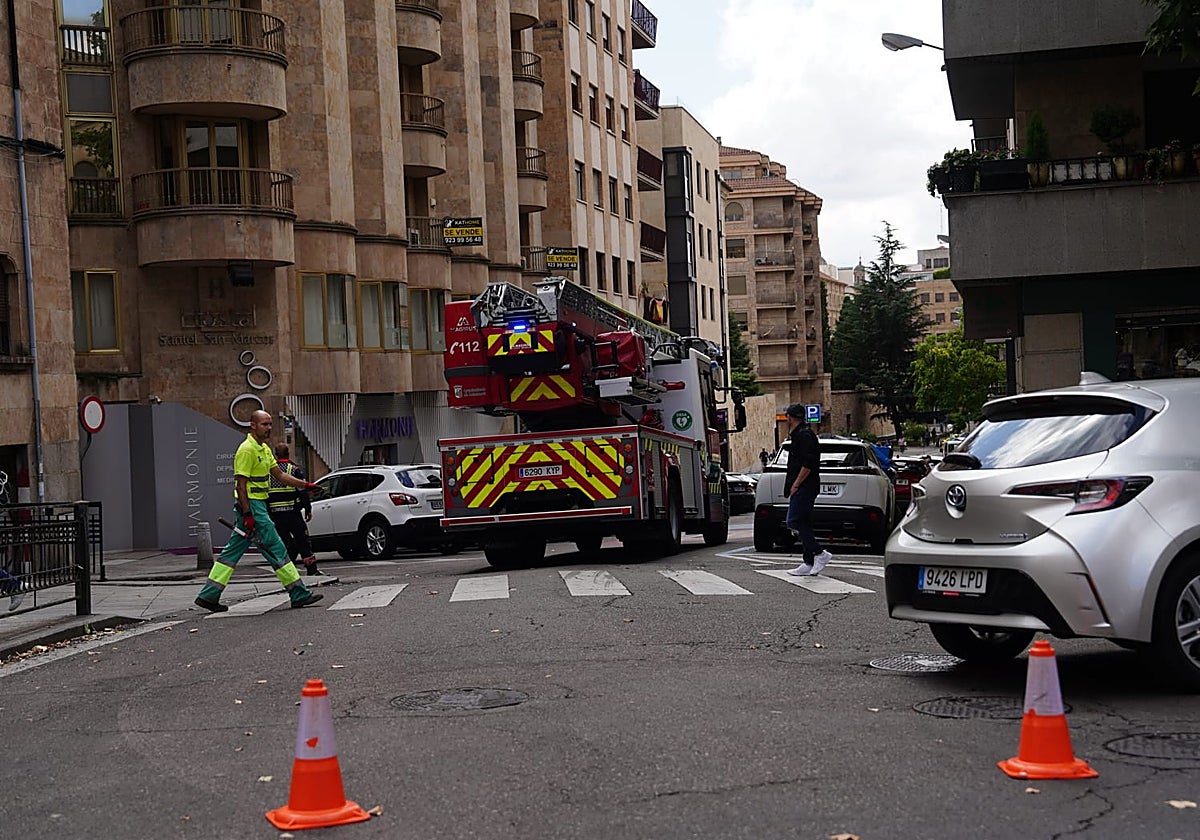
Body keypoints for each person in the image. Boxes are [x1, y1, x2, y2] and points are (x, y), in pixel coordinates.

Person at [195, 410, 324, 612]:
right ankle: (298, 593)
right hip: (253, 506)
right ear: (252, 425)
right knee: (277, 547)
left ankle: (208, 595)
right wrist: (248, 514)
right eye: (265, 424)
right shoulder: (246, 450)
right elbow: (241, 485)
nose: (269, 428)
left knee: (231, 553)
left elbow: (280, 476)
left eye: (270, 424)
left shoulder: (263, 449)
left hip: (257, 506)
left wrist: (305, 485)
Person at [782, 404, 833, 576]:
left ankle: (820, 553)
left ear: (790, 417)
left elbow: (808, 464)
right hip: (804, 485)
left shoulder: (804, 435)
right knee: (803, 522)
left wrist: (796, 484)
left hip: (805, 486)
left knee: (793, 521)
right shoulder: (801, 434)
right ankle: (808, 561)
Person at [268, 443, 323, 577]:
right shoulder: (293, 470)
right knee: (302, 540)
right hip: (292, 513)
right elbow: (301, 490)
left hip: (275, 515)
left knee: (284, 543)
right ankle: (311, 569)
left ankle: (287, 571)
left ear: (276, 454)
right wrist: (308, 508)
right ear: (288, 453)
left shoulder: (269, 473)